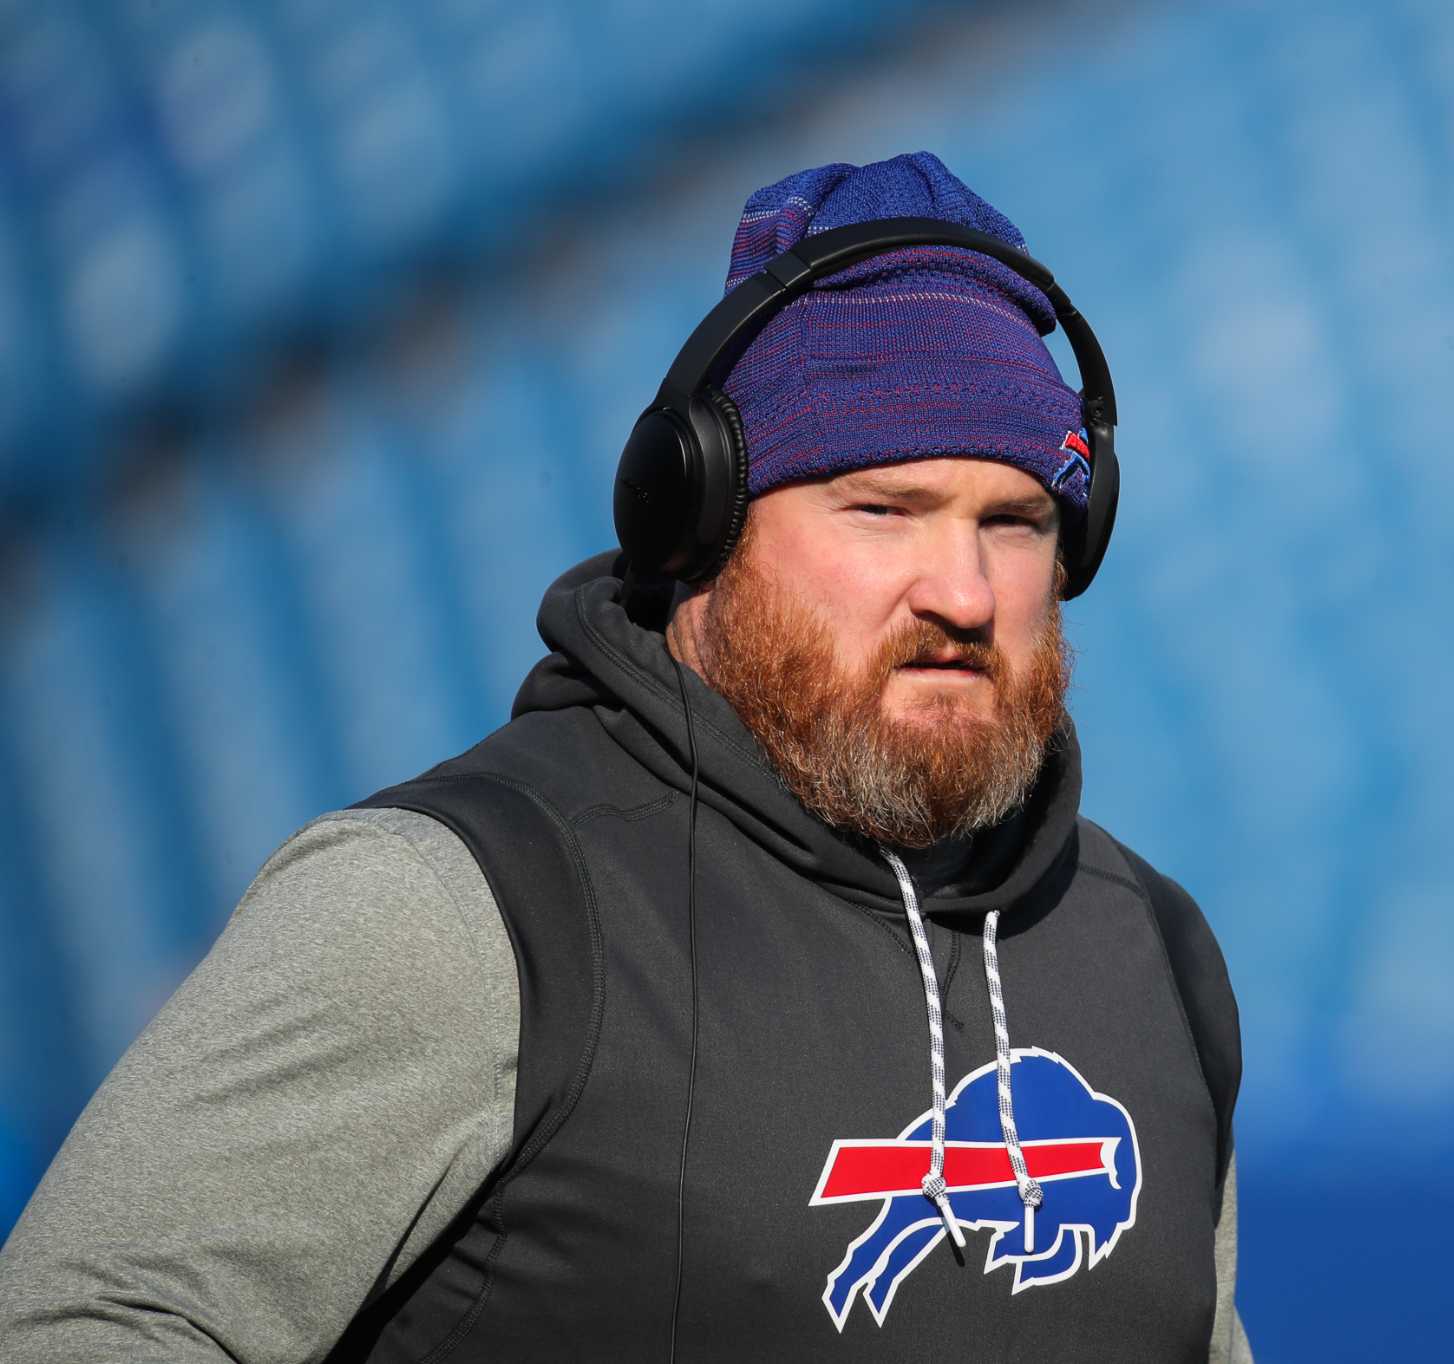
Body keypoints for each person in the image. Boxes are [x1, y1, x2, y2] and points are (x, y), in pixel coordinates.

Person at [0, 152, 1250, 1362]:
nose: (964, 591)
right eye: (882, 510)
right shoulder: (455, 910)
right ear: (697, 523)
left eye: (1014, 523)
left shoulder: (1147, 947)